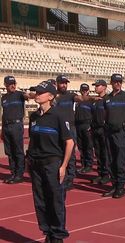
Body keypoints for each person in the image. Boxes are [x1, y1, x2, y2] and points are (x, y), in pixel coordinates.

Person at [27, 81, 74, 243]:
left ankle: (57, 235)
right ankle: (47, 232)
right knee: (40, 200)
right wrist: (29, 160)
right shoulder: (34, 116)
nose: (37, 95)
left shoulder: (58, 115)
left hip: (52, 163)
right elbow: (33, 141)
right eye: (36, 92)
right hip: (35, 164)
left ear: (51, 96)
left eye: (41, 92)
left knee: (55, 200)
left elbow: (69, 142)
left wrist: (63, 166)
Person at [55, 75, 99, 190]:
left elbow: (81, 98)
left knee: (70, 154)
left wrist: (91, 98)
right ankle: (59, 176)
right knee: (57, 153)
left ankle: (70, 178)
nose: (64, 85)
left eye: (65, 83)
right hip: (56, 128)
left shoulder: (71, 96)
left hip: (70, 128)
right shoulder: (53, 96)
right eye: (62, 83)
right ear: (57, 83)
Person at [1, 75, 33, 184]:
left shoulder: (20, 94)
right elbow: (4, 114)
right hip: (6, 126)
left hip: (16, 126)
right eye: (10, 84)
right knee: (9, 152)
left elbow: (28, 96)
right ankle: (13, 173)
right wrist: (2, 129)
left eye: (14, 83)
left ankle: (19, 174)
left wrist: (31, 95)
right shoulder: (3, 98)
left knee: (18, 151)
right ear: (5, 85)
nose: (13, 86)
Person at [90, 80, 110, 185]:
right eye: (95, 85)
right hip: (95, 129)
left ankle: (106, 174)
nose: (96, 87)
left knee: (104, 153)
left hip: (104, 129)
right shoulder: (95, 100)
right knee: (97, 153)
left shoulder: (107, 99)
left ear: (104, 87)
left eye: (98, 86)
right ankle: (100, 173)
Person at [75, 83, 94, 174]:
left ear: (88, 91)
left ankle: (89, 165)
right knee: (81, 146)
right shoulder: (78, 101)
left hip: (87, 125)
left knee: (88, 146)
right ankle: (83, 165)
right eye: (83, 90)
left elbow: (94, 114)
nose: (84, 91)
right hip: (78, 125)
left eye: (86, 90)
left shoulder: (91, 101)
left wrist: (91, 125)